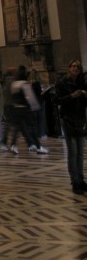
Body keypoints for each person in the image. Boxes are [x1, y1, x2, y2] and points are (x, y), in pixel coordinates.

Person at [55, 59, 87, 194]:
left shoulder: (81, 82)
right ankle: (74, 180)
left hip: (80, 119)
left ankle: (81, 179)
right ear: (69, 68)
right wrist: (72, 96)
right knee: (72, 152)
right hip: (68, 119)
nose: (76, 69)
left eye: (78, 67)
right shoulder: (62, 83)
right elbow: (57, 100)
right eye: (74, 66)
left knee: (80, 152)